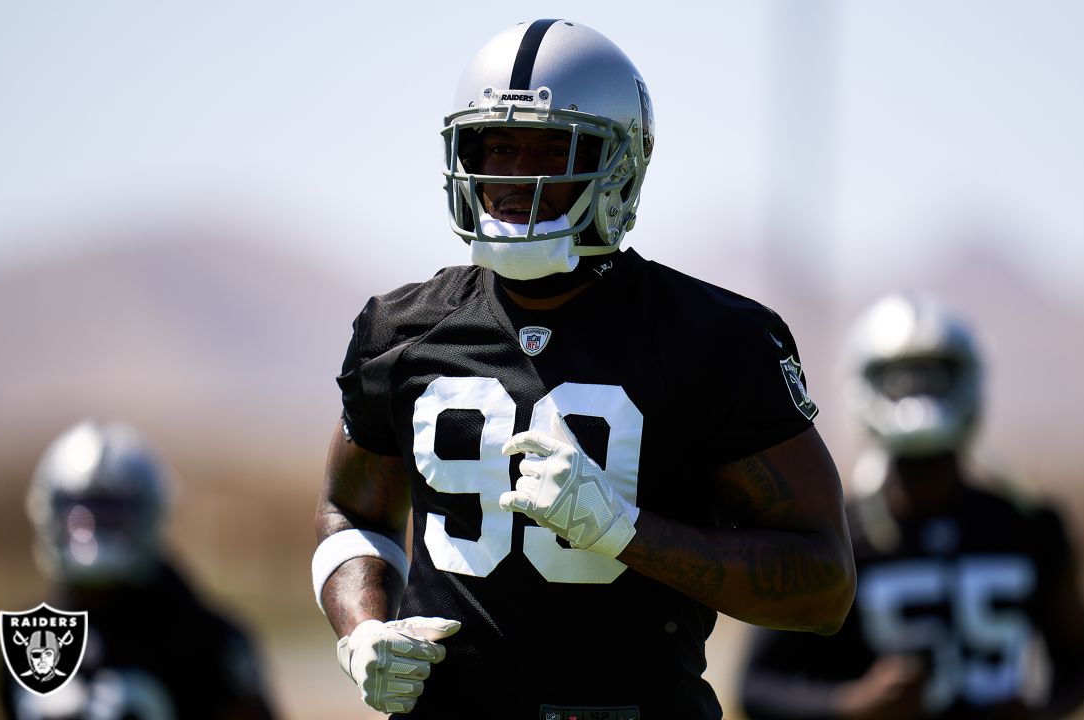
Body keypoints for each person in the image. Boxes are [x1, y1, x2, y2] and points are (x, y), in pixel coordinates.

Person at [313, 19, 856, 719]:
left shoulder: (715, 341)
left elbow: (823, 587)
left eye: (549, 150)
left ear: (619, 165)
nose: (514, 179)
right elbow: (349, 512)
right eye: (495, 148)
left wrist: (626, 531)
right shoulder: (401, 331)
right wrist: (364, 631)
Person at [740, 293, 1084, 719]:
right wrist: (854, 706)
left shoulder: (1029, 525)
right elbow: (758, 686)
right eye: (901, 379)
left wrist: (1040, 712)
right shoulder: (838, 532)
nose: (918, 395)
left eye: (933, 377)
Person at [0, 420, 277, 720]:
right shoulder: (25, 637)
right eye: (78, 514)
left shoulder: (205, 641)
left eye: (111, 515)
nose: (91, 533)